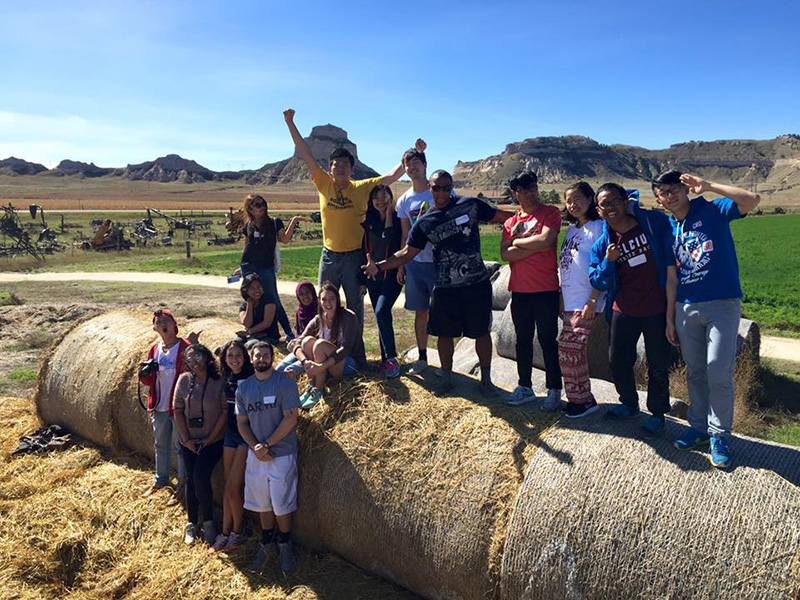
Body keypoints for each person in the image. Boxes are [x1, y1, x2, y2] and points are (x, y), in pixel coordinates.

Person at [366, 170, 516, 397]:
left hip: (476, 284)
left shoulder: (470, 205)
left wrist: (531, 219)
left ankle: (486, 381)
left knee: (481, 333)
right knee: (444, 335)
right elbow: (406, 253)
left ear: (452, 186)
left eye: (447, 187)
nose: (442, 192)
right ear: (430, 188)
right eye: (437, 188)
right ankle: (446, 378)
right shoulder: (425, 222)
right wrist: (380, 266)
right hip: (445, 287)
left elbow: (502, 216)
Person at [655, 170, 760, 468]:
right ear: (659, 199)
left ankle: (719, 434)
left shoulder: (712, 209)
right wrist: (669, 319)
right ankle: (698, 428)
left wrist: (710, 186)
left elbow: (752, 199)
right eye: (663, 191)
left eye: (675, 188)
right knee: (696, 372)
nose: (670, 195)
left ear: (686, 189)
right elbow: (672, 278)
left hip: (722, 305)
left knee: (718, 370)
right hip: (687, 308)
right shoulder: (668, 230)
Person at [283, 108, 417, 328]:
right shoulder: (323, 183)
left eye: (346, 165)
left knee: (355, 305)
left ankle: (356, 353)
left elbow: (391, 176)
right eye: (337, 165)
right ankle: (327, 344)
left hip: (355, 257)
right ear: (330, 168)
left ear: (352, 169)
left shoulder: (362, 188)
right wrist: (290, 123)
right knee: (325, 303)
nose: (341, 168)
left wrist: (410, 157)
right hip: (329, 257)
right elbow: (305, 152)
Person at [588, 183, 676, 437]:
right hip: (622, 309)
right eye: (605, 204)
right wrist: (608, 261)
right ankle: (629, 403)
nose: (611, 207)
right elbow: (598, 281)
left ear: (626, 201)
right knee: (617, 361)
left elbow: (675, 236)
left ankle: (658, 414)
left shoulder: (651, 224)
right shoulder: (603, 243)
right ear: (599, 210)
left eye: (615, 201)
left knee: (658, 363)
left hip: (656, 308)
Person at [500, 171, 563, 409]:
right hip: (520, 290)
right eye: (524, 189)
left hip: (546, 288)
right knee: (522, 340)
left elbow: (547, 240)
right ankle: (524, 387)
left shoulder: (550, 212)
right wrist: (534, 246)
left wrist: (517, 243)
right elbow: (505, 254)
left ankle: (554, 390)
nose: (531, 192)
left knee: (548, 339)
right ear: (516, 193)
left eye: (533, 187)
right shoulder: (510, 222)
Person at [236, 342, 301, 573]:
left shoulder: (285, 384)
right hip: (257, 455)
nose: (261, 359)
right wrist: (255, 447)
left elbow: (291, 419)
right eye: (257, 356)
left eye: (266, 355)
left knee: (281, 504)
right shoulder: (244, 389)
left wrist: (267, 445)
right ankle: (266, 543)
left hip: (281, 454)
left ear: (273, 358)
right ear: (251, 360)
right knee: (262, 502)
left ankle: (285, 544)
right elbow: (242, 423)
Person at [276, 282, 367, 409]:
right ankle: (311, 387)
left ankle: (319, 389)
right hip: (327, 365)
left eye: (332, 299)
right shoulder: (319, 319)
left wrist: (321, 367)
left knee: (319, 345)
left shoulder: (349, 317)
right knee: (307, 341)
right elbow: (298, 341)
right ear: (319, 301)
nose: (328, 304)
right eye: (324, 300)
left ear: (337, 300)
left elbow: (345, 350)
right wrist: (305, 362)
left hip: (349, 364)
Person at [558, 182, 606, 418]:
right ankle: (577, 399)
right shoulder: (571, 231)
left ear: (590, 199)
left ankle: (585, 401)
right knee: (566, 351)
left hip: (587, 299)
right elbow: (565, 266)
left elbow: (604, 265)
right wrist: (561, 298)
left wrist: (594, 299)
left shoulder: (599, 227)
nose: (572, 204)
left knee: (572, 349)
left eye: (578, 198)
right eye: (568, 200)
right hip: (569, 299)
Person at [173, 343, 227, 545]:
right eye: (188, 358)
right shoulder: (184, 380)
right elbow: (177, 409)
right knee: (190, 479)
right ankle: (191, 523)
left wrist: (211, 438)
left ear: (206, 357)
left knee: (199, 477)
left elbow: (224, 411)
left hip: (212, 441)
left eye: (196, 356)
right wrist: (186, 439)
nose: (193, 361)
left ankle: (209, 523)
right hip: (189, 441)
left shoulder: (218, 380)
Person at [238, 193, 309, 341]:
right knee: (252, 298)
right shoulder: (248, 226)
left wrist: (294, 221)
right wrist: (241, 267)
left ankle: (289, 333)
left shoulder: (275, 222)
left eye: (263, 203)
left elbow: (285, 240)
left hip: (265, 267)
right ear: (250, 209)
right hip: (248, 266)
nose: (262, 207)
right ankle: (255, 330)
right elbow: (247, 247)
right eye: (258, 205)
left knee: (273, 299)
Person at [138, 309, 190, 506]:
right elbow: (148, 381)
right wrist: (144, 373)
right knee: (160, 445)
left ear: (174, 324)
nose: (163, 324)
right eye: (159, 322)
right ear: (155, 328)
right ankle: (161, 480)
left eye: (166, 320)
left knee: (180, 447)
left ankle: (182, 486)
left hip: (178, 408)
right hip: (159, 406)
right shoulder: (154, 350)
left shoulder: (184, 346)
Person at [209, 339, 254, 552]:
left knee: (232, 488)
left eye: (238, 355)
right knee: (227, 486)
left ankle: (238, 532)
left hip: (246, 436)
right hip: (230, 435)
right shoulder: (226, 378)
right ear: (225, 359)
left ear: (245, 357)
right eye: (230, 356)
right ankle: (225, 533)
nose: (235, 359)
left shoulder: (252, 377)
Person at [395, 144, 436, 374]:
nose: (412, 168)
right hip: (415, 263)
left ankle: (447, 363)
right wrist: (401, 266)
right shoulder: (403, 200)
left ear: (425, 166)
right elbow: (404, 235)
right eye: (408, 165)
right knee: (421, 312)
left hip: (439, 262)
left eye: (416, 163)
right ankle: (422, 357)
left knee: (442, 312)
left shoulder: (437, 191)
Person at [363, 184, 403, 378]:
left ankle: (392, 360)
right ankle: (383, 360)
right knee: (381, 317)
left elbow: (390, 241)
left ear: (391, 198)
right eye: (376, 197)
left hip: (392, 275)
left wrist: (388, 214)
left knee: (381, 311)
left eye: (385, 196)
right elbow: (364, 249)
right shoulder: (368, 222)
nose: (381, 201)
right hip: (372, 277)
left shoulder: (397, 220)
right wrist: (362, 277)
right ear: (371, 201)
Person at [237, 273, 280, 348]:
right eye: (252, 288)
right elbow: (247, 324)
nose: (256, 290)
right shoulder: (244, 306)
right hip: (250, 335)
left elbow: (266, 323)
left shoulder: (269, 300)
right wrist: (249, 305)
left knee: (251, 345)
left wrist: (249, 332)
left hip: (268, 336)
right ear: (246, 290)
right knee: (236, 342)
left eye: (258, 286)